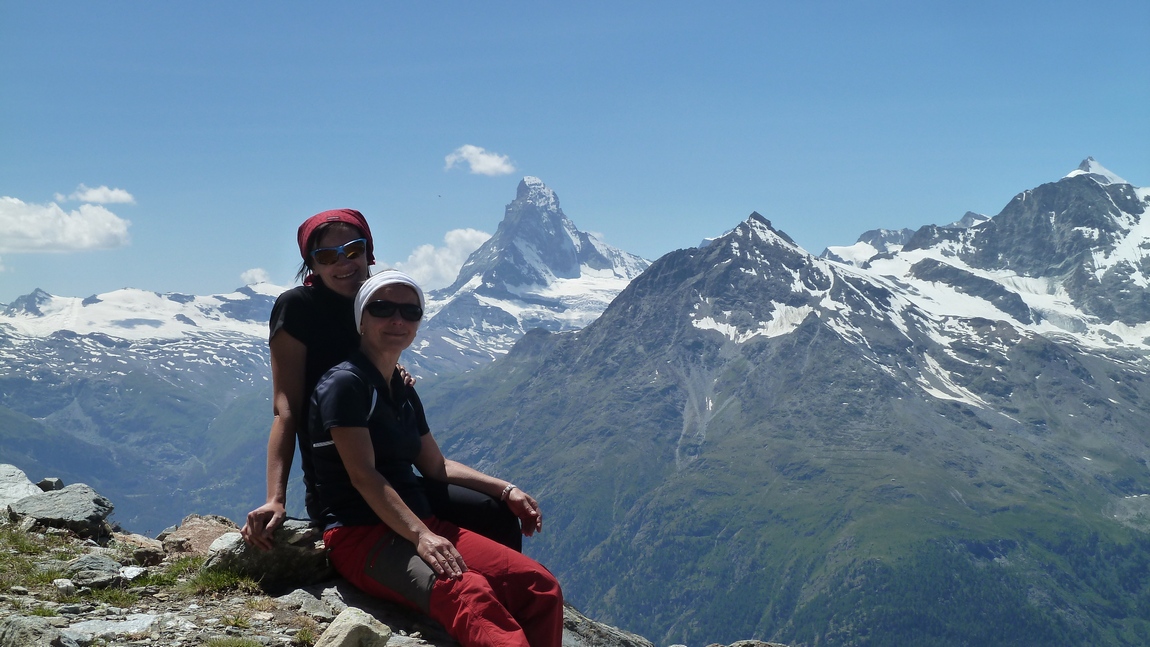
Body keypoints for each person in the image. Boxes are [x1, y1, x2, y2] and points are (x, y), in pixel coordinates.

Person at [242, 209, 524, 552]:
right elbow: (286, 409)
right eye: (327, 256)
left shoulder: (382, 303)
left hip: (396, 475)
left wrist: (505, 489)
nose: (344, 262)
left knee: (494, 513)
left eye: (353, 250)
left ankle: (502, 581)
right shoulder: (298, 306)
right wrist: (275, 498)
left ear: (368, 252)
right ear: (311, 264)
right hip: (341, 485)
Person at [312, 270, 562, 647]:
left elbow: (436, 466)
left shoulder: (401, 389)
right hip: (361, 535)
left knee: (540, 587)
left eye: (410, 311)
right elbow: (363, 474)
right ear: (361, 319)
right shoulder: (346, 384)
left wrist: (506, 490)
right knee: (469, 594)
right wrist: (422, 536)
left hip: (421, 523)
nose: (398, 319)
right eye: (382, 308)